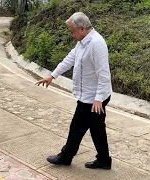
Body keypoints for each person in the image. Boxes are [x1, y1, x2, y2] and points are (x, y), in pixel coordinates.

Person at [36, 12, 113, 170]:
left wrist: (98, 98)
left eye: (72, 31)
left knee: (77, 126)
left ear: (82, 28)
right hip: (89, 95)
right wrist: (52, 76)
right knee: (97, 128)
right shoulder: (82, 42)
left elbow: (104, 73)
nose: (71, 34)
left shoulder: (96, 43)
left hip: (93, 97)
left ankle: (66, 156)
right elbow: (70, 59)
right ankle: (104, 160)